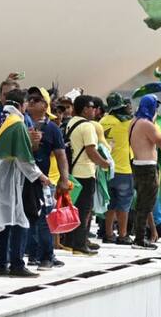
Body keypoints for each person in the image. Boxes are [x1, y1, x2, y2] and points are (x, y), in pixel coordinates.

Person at [0, 88, 49, 277]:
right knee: (19, 220)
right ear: (22, 104)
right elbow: (24, 159)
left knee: (5, 222)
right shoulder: (17, 123)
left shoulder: (0, 120)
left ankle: (0, 264)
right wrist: (40, 176)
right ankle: (17, 264)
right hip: (9, 179)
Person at [26, 86, 69, 267]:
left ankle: (46, 256)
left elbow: (61, 155)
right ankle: (32, 254)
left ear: (45, 105)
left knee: (44, 218)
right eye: (30, 99)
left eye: (36, 100)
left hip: (43, 181)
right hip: (23, 179)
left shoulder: (52, 129)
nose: (31, 102)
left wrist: (64, 179)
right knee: (28, 218)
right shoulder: (21, 123)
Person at [129, 95, 161, 249]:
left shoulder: (134, 122)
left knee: (142, 203)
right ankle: (140, 239)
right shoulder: (147, 125)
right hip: (147, 167)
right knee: (146, 204)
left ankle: (139, 237)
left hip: (137, 164)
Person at [65, 94, 110, 254]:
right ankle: (79, 244)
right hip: (85, 172)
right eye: (92, 107)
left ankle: (72, 240)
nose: (95, 110)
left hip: (73, 171)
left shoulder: (71, 122)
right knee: (84, 210)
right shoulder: (88, 126)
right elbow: (91, 151)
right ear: (85, 109)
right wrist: (104, 163)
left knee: (74, 208)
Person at [99, 92, 134, 245]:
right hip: (123, 169)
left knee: (110, 204)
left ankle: (108, 234)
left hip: (105, 169)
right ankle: (123, 234)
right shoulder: (127, 123)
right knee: (124, 204)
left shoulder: (102, 121)